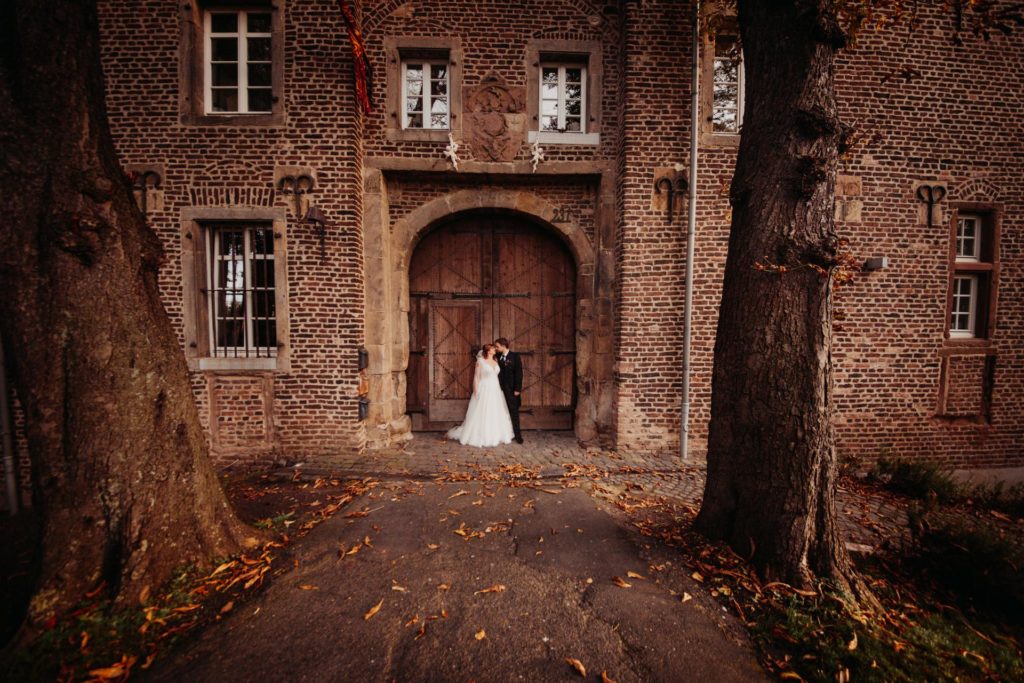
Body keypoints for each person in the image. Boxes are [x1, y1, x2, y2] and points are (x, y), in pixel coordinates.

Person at [446, 343, 514, 447]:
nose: (495, 350)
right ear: (488, 351)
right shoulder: (480, 362)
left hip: (495, 389)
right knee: (483, 410)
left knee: (495, 410)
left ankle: (496, 433)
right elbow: (476, 377)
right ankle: (480, 434)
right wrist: (476, 390)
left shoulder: (495, 360)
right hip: (485, 388)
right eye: (493, 348)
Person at [494, 337, 523, 444]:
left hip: (511, 390)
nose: (496, 348)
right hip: (498, 390)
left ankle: (518, 435)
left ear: (503, 346)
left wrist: (517, 389)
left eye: (497, 346)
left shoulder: (515, 356)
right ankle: (502, 433)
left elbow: (519, 374)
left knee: (514, 412)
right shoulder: (496, 356)